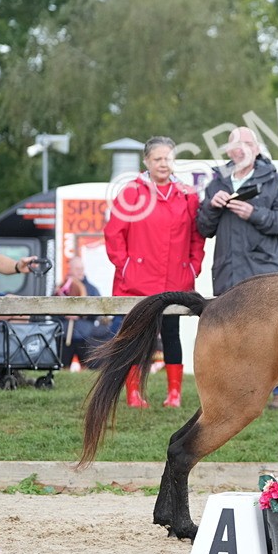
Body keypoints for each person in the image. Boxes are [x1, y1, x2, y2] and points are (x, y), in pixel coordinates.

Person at [197, 126, 278, 408]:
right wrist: (211, 206)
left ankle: (277, 392)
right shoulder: (217, 182)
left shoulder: (273, 181)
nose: (240, 149)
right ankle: (232, 393)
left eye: (246, 143)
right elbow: (203, 228)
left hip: (262, 270)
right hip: (227, 269)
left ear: (256, 149)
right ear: (229, 152)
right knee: (229, 332)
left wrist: (255, 214)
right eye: (234, 145)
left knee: (268, 332)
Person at [104, 136, 205, 408]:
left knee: (171, 333)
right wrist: (125, 266)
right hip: (137, 281)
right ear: (146, 161)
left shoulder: (188, 194)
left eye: (168, 158)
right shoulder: (131, 193)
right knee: (136, 336)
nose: (163, 164)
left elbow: (197, 236)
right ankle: (134, 393)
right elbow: (114, 234)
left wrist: (194, 264)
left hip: (176, 279)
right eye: (158, 159)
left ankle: (174, 394)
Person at [56, 256, 114, 368]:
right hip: (65, 335)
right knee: (62, 366)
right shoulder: (62, 288)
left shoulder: (91, 289)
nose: (80, 271)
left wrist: (81, 315)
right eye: (77, 268)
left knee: (89, 369)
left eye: (81, 268)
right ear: (70, 269)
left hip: (86, 336)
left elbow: (99, 311)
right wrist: (64, 314)